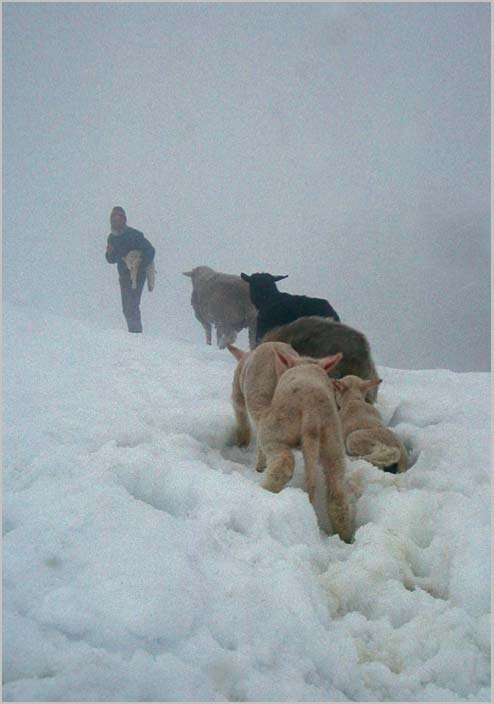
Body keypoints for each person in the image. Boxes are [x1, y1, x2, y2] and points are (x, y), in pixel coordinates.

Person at [105, 206, 156, 333]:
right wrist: (109, 253)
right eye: (113, 219)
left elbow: (150, 250)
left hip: (137, 275)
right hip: (123, 275)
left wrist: (140, 265)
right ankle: (134, 333)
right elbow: (111, 259)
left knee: (132, 305)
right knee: (127, 307)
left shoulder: (134, 235)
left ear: (124, 220)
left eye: (119, 219)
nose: (116, 222)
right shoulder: (112, 238)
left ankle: (136, 334)